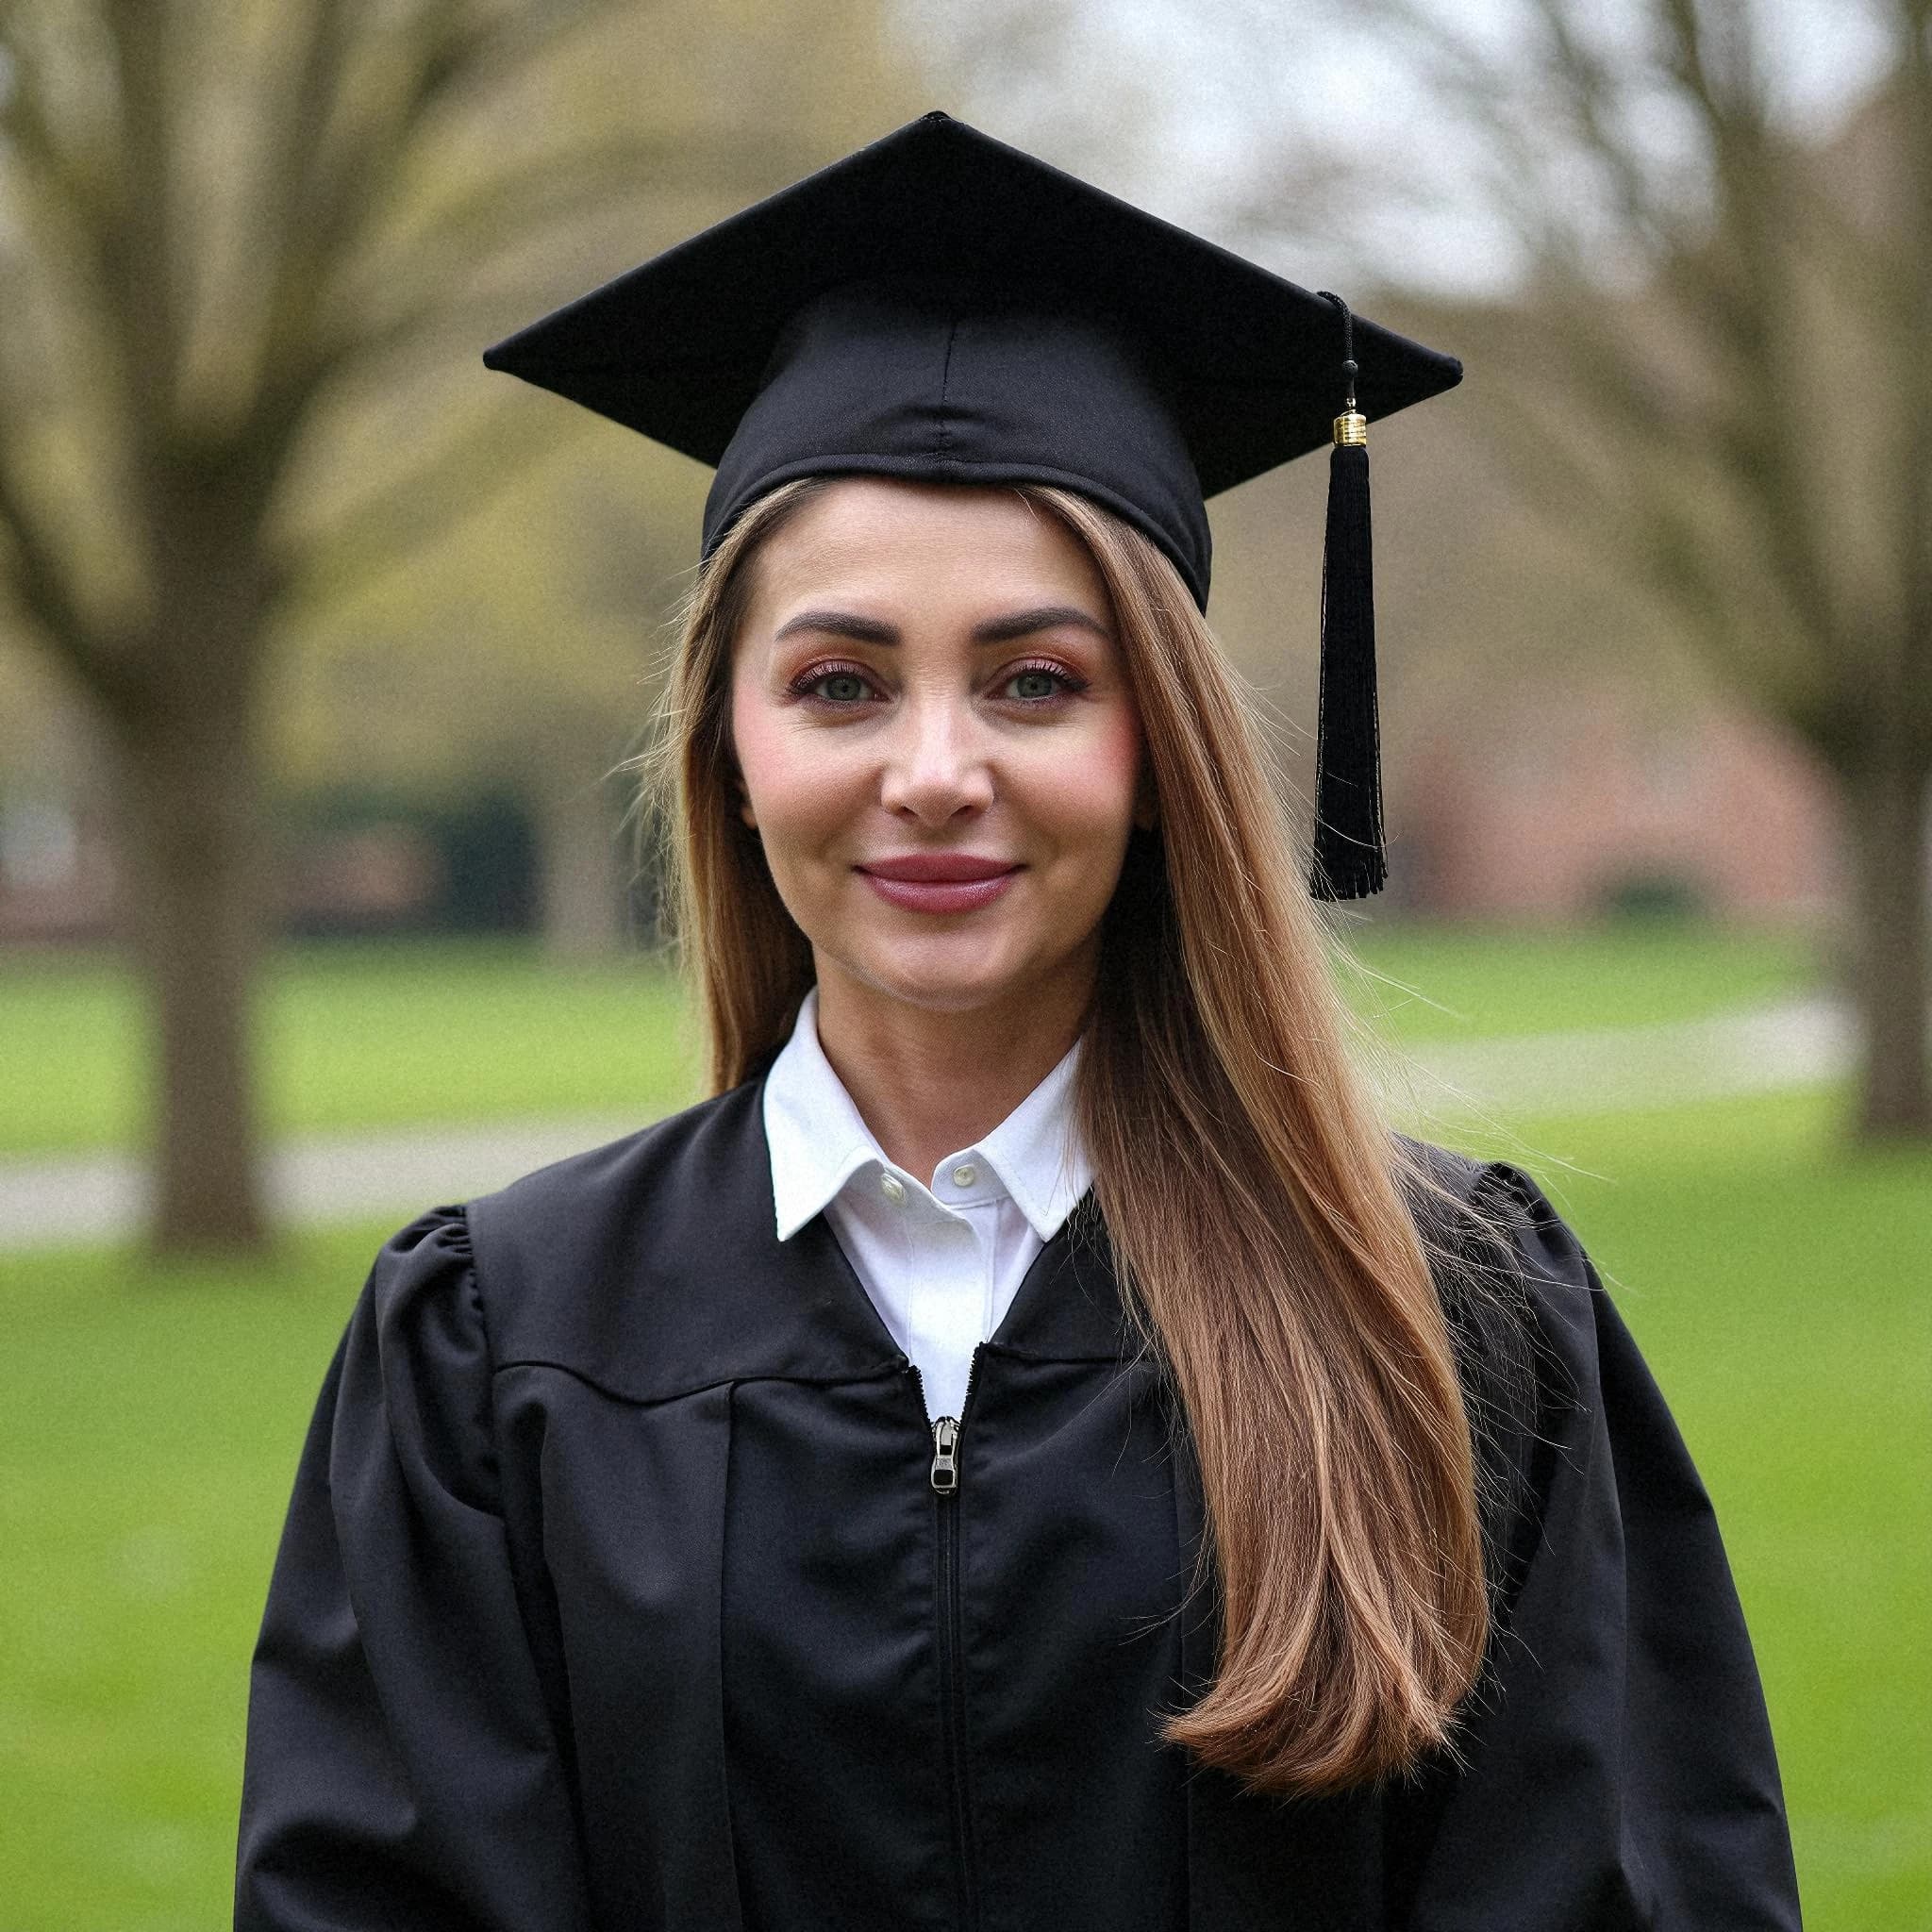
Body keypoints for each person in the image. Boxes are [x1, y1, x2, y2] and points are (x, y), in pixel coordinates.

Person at [234, 114, 1802, 1930]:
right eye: (838, 683)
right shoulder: (499, 1349)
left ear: (1159, 759)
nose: (933, 771)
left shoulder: (1442, 1322)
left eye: (1035, 682)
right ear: (729, 755)